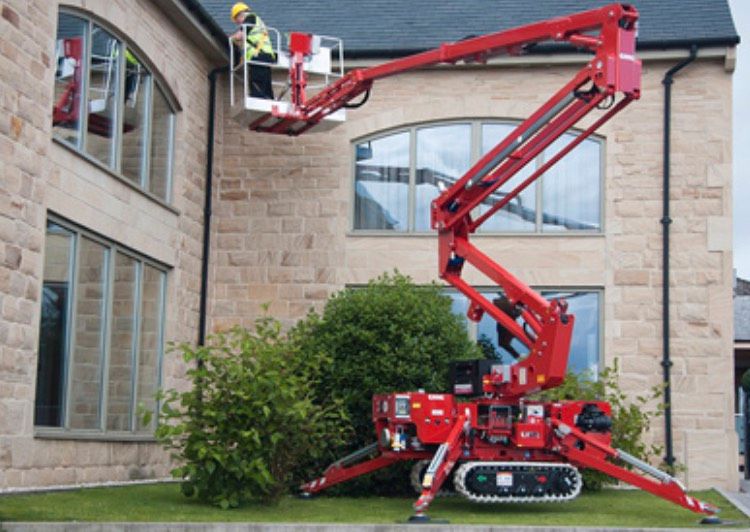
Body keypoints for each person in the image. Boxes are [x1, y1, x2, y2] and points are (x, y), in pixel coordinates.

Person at [230, 2, 275, 100]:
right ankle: (268, 97)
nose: (238, 23)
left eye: (237, 20)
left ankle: (258, 97)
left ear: (240, 14)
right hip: (264, 55)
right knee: (265, 81)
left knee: (257, 80)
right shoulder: (255, 21)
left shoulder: (250, 18)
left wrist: (231, 39)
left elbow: (240, 35)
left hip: (259, 55)